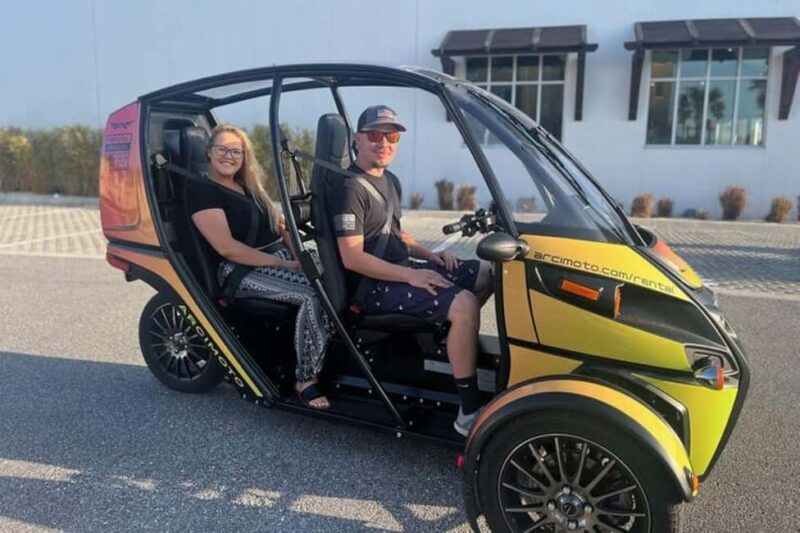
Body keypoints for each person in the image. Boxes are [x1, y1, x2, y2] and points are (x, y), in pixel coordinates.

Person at [333, 106, 493, 436]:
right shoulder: (349, 189)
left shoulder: (389, 180)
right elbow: (352, 258)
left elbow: (396, 236)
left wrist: (429, 256)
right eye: (375, 135)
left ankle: (454, 341)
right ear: (357, 140)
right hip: (372, 286)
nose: (384, 143)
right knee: (464, 304)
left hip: (401, 269)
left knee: (489, 272)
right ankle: (467, 411)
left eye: (391, 136)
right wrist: (411, 275)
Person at [188, 124, 330, 410]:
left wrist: (300, 255)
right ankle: (305, 378)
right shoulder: (203, 191)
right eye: (223, 149)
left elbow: (281, 226)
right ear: (209, 152)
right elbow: (226, 247)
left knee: (335, 276)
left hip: (274, 257)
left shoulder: (249, 187)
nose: (229, 156)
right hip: (239, 270)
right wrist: (284, 264)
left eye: (236, 151)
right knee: (313, 294)